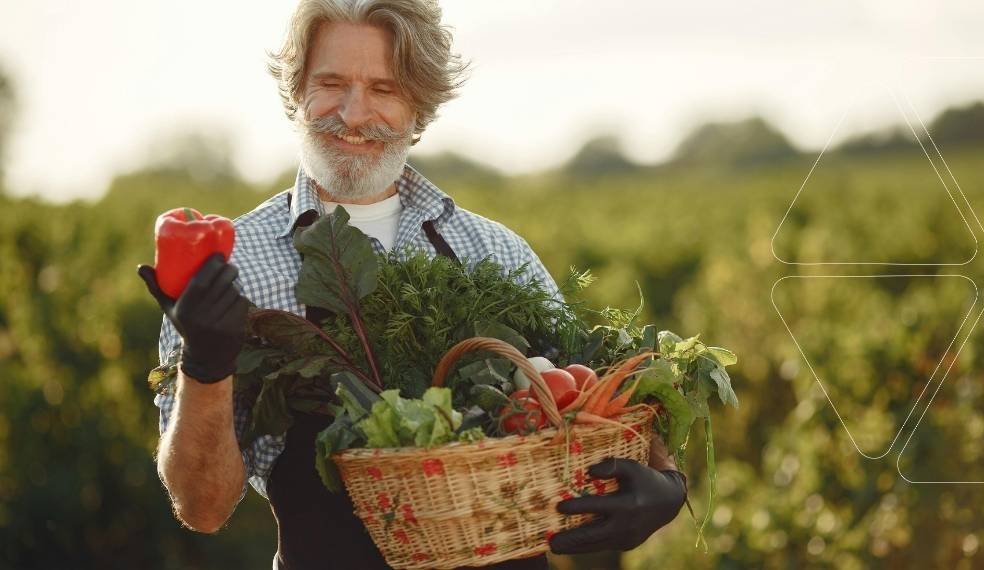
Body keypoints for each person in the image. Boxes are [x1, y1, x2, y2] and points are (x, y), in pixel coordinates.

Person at [138, 1, 687, 568]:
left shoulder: (492, 251)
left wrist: (667, 479)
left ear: (419, 105)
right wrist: (205, 368)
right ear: (296, 91)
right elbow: (202, 508)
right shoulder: (234, 264)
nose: (354, 114)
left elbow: (586, 393)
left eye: (384, 88)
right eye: (331, 83)